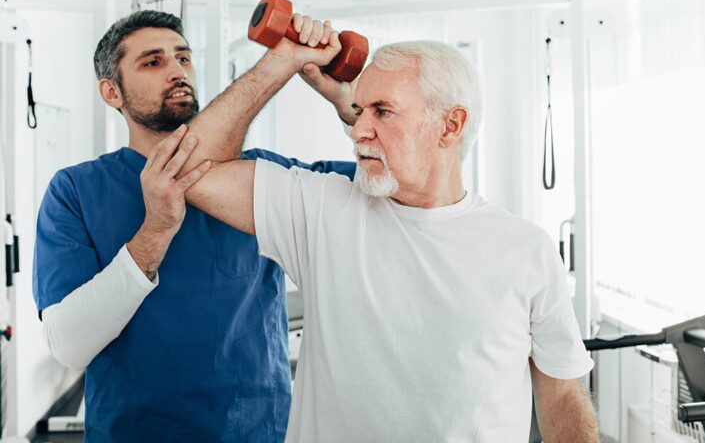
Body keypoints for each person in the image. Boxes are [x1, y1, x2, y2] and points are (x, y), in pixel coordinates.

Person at [171, 35, 600, 442]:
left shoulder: (524, 249)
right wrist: (281, 61)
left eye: (383, 111)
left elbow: (561, 396)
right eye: (359, 111)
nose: (358, 130)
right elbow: (189, 169)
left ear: (450, 126)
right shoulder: (323, 209)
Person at [32, 10, 354, 442]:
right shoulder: (75, 190)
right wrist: (155, 231)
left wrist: (348, 105)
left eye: (183, 58)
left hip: (261, 433)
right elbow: (68, 346)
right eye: (153, 62)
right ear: (112, 92)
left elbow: (387, 190)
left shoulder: (260, 177)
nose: (177, 71)